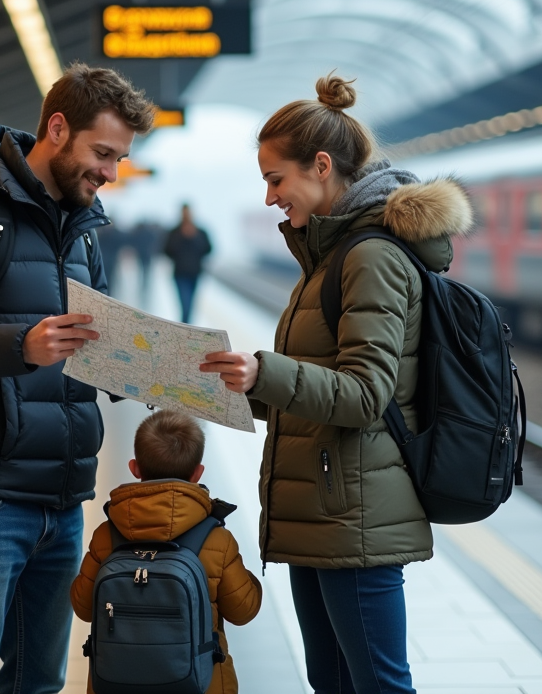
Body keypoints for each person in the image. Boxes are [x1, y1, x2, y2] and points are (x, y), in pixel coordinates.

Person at [200, 74, 474, 694]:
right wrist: (238, 385)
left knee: (375, 683)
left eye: (276, 179)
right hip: (321, 509)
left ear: (321, 166)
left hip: (354, 514)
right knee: (334, 683)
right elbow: (317, 391)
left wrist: (264, 371)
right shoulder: (329, 254)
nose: (270, 197)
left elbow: (364, 394)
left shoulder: (368, 257)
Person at [0, 63, 155, 694]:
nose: (110, 173)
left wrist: (158, 369)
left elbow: (92, 346)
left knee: (38, 683)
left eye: (120, 159)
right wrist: (20, 344)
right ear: (57, 129)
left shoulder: (85, 233)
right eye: (102, 153)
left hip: (62, 499)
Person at [70, 410, 262, 694]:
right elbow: (244, 610)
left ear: (135, 468)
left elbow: (84, 607)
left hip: (116, 683)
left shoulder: (106, 535)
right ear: (197, 473)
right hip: (199, 682)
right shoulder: (216, 539)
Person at [163, 204, 212, 323]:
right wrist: (182, 237)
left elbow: (208, 249)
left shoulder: (200, 232)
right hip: (180, 273)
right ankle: (186, 327)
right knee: (185, 304)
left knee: (191, 304)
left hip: (195, 273)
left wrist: (194, 237)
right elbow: (167, 250)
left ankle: (187, 327)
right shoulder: (175, 232)